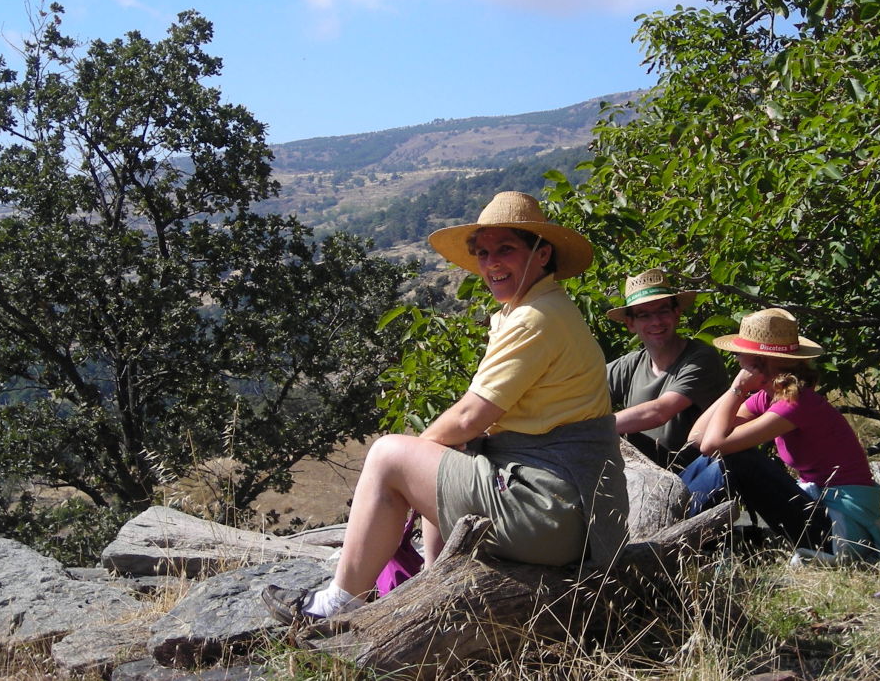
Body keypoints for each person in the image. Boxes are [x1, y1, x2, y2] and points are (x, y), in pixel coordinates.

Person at [263, 191, 629, 623]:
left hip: (554, 513)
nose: (491, 262)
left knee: (389, 456)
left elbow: (472, 415)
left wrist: (411, 460)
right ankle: (434, 579)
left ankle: (338, 605)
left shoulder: (536, 318)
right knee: (442, 454)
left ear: (542, 253)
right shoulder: (541, 309)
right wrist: (430, 456)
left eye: (506, 249)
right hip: (570, 508)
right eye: (483, 252)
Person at [691, 308, 880, 563]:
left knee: (737, 459)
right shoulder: (770, 397)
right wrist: (735, 391)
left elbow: (712, 444)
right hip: (821, 515)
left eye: (740, 354)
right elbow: (696, 436)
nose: (737, 359)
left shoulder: (796, 403)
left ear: (757, 361)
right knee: (724, 458)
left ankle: (674, 521)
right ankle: (676, 514)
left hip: (840, 531)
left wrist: (738, 387)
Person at [605, 269, 728, 471]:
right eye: (644, 315)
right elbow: (582, 391)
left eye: (663, 311)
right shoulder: (630, 364)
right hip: (641, 472)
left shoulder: (701, 359)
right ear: (630, 323)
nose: (656, 322)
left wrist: (592, 428)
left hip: (692, 473)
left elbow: (660, 411)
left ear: (677, 313)